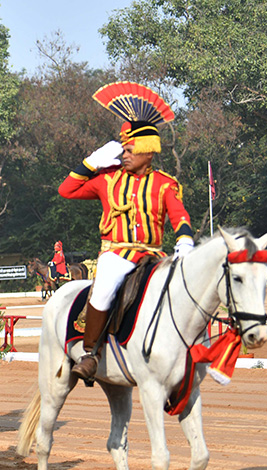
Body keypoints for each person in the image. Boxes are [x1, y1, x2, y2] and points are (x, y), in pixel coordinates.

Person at [59, 81, 193, 382]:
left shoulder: (164, 183)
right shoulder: (106, 180)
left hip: (152, 253)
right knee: (105, 284)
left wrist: (184, 239)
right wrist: (90, 163)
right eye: (123, 148)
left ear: (148, 151)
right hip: (117, 251)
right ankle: (91, 353)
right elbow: (66, 190)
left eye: (130, 149)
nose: (124, 153)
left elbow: (178, 215)